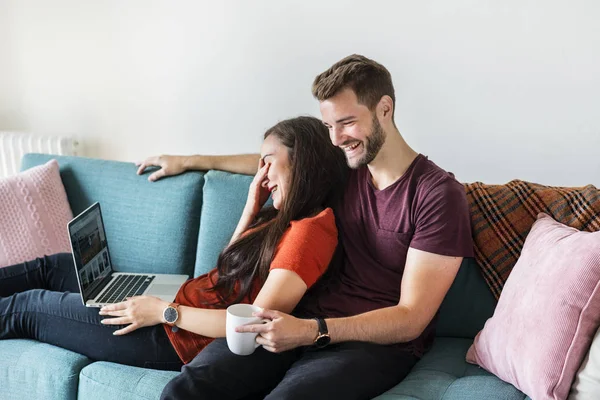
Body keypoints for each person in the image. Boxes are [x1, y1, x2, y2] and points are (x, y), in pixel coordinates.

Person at [139, 54, 474, 400]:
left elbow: (411, 318)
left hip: (369, 344)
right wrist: (190, 161)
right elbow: (280, 160)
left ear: (384, 108)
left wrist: (312, 331)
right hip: (294, 323)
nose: (337, 138)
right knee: (185, 391)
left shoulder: (437, 195)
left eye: (347, 122)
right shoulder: (348, 167)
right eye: (330, 126)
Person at [0, 116, 348, 371]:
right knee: (55, 265)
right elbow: (233, 267)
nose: (262, 175)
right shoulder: (285, 214)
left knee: (28, 307)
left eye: (268, 163)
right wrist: (250, 208)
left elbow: (253, 323)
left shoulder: (310, 231)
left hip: (176, 338)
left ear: (302, 159)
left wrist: (163, 312)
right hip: (179, 308)